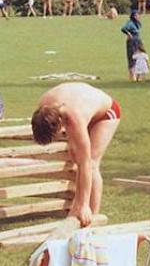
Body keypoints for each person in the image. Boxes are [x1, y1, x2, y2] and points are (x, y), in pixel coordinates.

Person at [31, 83, 121, 227]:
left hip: (107, 113)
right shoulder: (43, 108)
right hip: (82, 105)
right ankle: (77, 208)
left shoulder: (75, 117)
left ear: (60, 122)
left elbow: (84, 163)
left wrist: (83, 205)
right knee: (74, 155)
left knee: (91, 163)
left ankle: (91, 216)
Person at [121, 10, 143, 80]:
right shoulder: (130, 23)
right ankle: (132, 75)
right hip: (132, 42)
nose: (138, 17)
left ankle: (137, 75)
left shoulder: (136, 23)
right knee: (131, 57)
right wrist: (128, 34)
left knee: (139, 57)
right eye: (136, 15)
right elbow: (123, 28)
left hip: (137, 41)